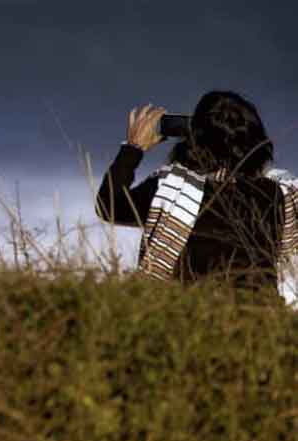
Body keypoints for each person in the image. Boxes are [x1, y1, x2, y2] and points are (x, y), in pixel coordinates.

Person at [96, 91, 297, 291]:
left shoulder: (172, 189)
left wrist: (133, 148)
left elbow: (109, 206)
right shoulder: (276, 195)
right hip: (259, 317)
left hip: (192, 315)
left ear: (193, 137)